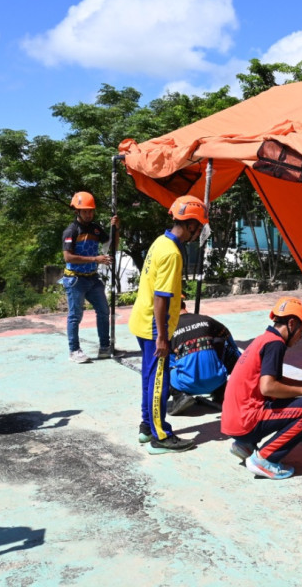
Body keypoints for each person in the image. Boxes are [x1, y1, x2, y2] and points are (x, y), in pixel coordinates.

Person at [127, 195, 207, 455]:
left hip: (142, 319)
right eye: (200, 227)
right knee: (160, 381)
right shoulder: (173, 253)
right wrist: (162, 337)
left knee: (150, 378)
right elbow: (162, 298)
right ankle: (160, 436)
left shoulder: (160, 242)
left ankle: (147, 426)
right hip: (154, 326)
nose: (199, 233)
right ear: (191, 224)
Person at [220, 297, 302, 479]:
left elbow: (275, 379)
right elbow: (269, 387)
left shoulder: (263, 339)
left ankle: (245, 445)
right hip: (247, 421)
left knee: (296, 398)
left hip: (234, 421)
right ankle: (265, 459)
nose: (301, 336)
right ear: (291, 323)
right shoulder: (276, 344)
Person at [61, 191, 120, 363]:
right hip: (75, 279)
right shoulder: (71, 231)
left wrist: (115, 228)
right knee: (75, 315)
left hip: (92, 278)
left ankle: (104, 347)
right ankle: (74, 351)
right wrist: (96, 259)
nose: (88, 214)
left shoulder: (95, 228)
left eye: (91, 211)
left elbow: (112, 245)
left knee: (103, 311)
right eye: (85, 211)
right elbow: (68, 257)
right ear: (77, 211)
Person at [166, 306, 240, 415]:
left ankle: (179, 396)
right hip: (218, 379)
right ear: (184, 306)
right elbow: (232, 346)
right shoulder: (207, 320)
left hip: (187, 384)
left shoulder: (168, 329)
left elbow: (170, 363)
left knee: (161, 366)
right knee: (223, 346)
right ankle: (221, 392)